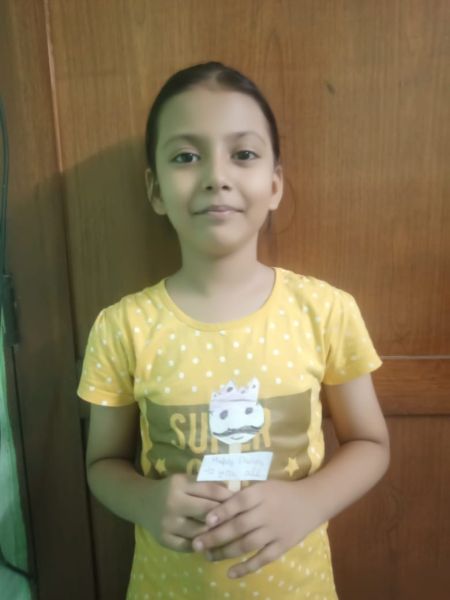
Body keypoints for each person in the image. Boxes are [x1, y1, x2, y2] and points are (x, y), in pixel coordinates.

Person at [77, 61, 390, 600]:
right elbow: (102, 464)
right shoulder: (122, 327)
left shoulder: (326, 311)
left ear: (274, 185)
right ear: (155, 190)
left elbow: (371, 443)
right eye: (186, 156)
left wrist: (309, 502)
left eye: (242, 154)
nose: (215, 176)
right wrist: (145, 501)